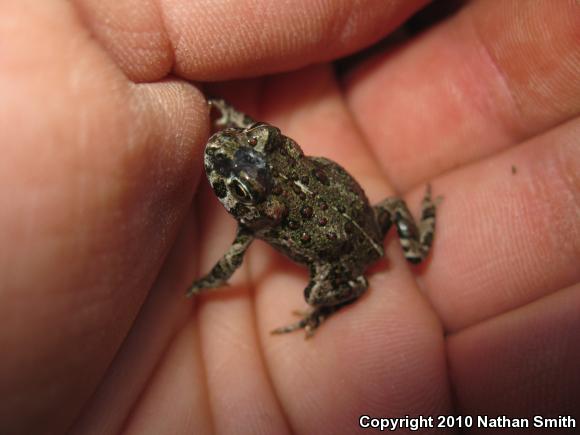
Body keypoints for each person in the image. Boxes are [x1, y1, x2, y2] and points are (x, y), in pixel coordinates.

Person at [0, 1, 578, 433]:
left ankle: (337, 299)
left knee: (329, 286)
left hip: (349, 250)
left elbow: (229, 263)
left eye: (234, 180)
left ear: (257, 208)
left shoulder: (258, 218)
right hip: (371, 216)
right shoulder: (271, 179)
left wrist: (204, 285)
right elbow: (256, 149)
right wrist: (227, 114)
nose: (235, 158)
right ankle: (417, 232)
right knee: (396, 214)